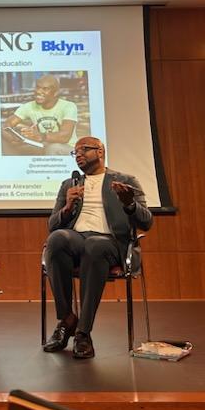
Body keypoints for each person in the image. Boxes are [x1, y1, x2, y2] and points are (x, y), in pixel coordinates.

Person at [42, 136, 152, 358]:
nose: (78, 155)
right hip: (77, 238)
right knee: (56, 239)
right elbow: (52, 225)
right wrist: (67, 207)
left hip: (110, 243)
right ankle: (67, 319)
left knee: (95, 245)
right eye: (75, 152)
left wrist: (129, 203)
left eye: (83, 150)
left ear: (100, 152)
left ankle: (83, 332)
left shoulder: (125, 181)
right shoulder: (69, 185)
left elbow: (147, 222)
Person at [2, 74, 78, 155]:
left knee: (53, 148)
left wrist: (41, 136)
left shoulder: (68, 106)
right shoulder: (29, 106)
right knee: (4, 142)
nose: (38, 91)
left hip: (67, 148)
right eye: (37, 87)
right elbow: (8, 124)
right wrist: (12, 137)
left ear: (55, 93)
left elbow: (65, 137)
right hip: (43, 145)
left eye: (45, 89)